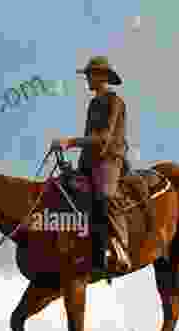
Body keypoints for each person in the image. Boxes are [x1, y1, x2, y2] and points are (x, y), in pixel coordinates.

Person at [51, 56, 130, 274]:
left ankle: (120, 247)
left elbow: (104, 137)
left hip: (110, 159)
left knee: (105, 195)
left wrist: (70, 142)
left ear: (101, 76)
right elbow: (90, 139)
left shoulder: (115, 102)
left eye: (90, 74)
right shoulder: (94, 103)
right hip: (90, 161)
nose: (87, 78)